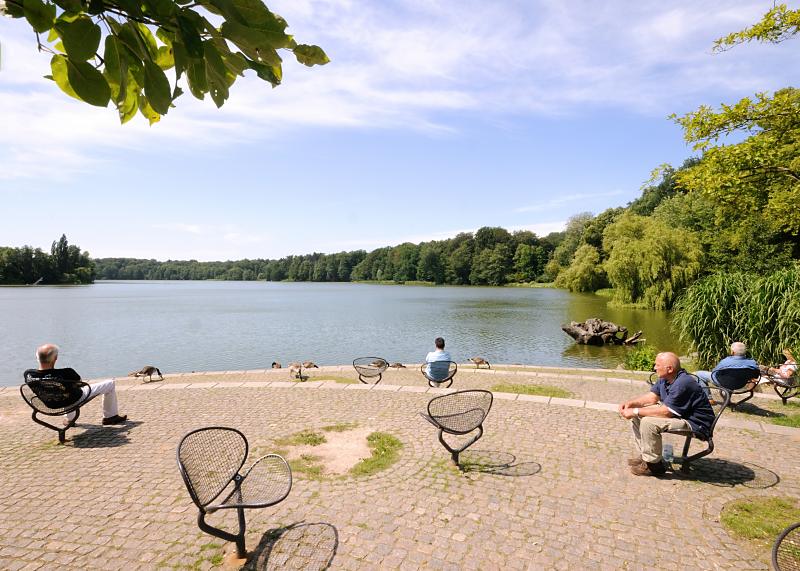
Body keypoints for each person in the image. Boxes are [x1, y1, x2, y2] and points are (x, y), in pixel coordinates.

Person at [619, 352, 715, 477]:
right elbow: (652, 397)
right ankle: (645, 456)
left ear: (669, 369)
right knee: (636, 416)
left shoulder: (683, 383)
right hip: (680, 414)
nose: (654, 368)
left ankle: (653, 466)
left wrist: (635, 411)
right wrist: (631, 404)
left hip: (695, 423)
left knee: (648, 422)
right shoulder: (665, 378)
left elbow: (666, 412)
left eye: (657, 365)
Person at [24, 343, 127, 426]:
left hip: (50, 404)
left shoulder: (29, 374)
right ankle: (110, 417)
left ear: (37, 357)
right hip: (72, 399)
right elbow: (79, 384)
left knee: (64, 392)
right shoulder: (66, 372)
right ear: (55, 358)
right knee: (110, 384)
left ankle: (69, 419)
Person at [695, 341, 760, 391]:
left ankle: (709, 398)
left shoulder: (726, 361)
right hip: (740, 385)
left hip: (723, 383)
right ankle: (727, 399)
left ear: (732, 352)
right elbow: (756, 375)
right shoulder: (752, 363)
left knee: (698, 374)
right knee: (729, 378)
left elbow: (714, 372)